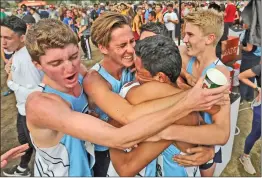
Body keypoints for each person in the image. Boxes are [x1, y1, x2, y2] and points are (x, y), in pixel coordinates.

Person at [24, 18, 227, 177]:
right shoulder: (44, 102)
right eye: (56, 63)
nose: (69, 67)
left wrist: (208, 150)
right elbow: (122, 131)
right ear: (38, 65)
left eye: (73, 56)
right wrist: (188, 101)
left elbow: (166, 66)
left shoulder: (127, 70)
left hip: (95, 163)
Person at [84, 12, 229, 177]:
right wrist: (191, 96)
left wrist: (211, 150)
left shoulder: (139, 62)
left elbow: (166, 62)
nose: (131, 50)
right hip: (107, 149)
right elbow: (127, 115)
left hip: (144, 150)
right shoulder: (96, 79)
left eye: (133, 41)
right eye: (122, 45)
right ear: (102, 48)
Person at [107, 34, 221, 177]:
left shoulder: (179, 115)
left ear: (160, 77)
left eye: (140, 73)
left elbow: (125, 168)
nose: (136, 77)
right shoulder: (177, 96)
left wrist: (112, 137)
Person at [172, 9, 230, 176]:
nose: (185, 39)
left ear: (209, 39)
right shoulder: (184, 53)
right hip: (183, 137)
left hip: (206, 142)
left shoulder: (219, 72)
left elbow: (194, 101)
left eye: (190, 35)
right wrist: (184, 74)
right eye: (184, 34)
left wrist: (178, 80)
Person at [1, 15, 44, 177]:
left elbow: (37, 92)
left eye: (7, 38)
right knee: (25, 141)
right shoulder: (18, 52)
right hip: (23, 109)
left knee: (36, 144)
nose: (3, 42)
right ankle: (23, 168)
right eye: (1, 37)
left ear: (22, 38)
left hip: (31, 112)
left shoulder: (28, 59)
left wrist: (10, 82)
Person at [238, 63, 261, 175]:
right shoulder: (260, 68)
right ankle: (245, 156)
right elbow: (241, 76)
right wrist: (258, 88)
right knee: (256, 133)